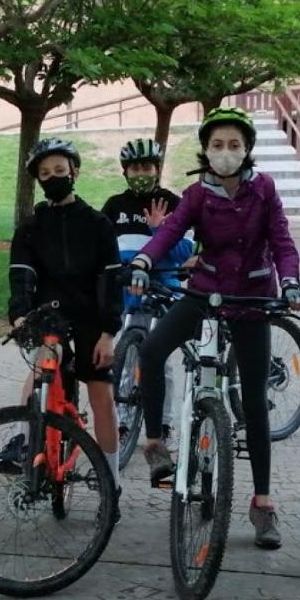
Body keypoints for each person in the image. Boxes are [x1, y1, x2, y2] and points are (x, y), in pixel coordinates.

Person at [128, 107, 300, 549]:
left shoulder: (264, 189)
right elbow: (169, 232)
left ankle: (263, 504)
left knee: (255, 401)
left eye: (234, 145)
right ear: (205, 151)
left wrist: (292, 283)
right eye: (217, 145)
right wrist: (145, 259)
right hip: (204, 292)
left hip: (251, 299)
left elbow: (282, 242)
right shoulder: (196, 193)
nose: (226, 153)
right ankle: (155, 445)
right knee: (151, 350)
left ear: (247, 151)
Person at [3, 137, 124, 502]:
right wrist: (21, 314)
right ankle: (26, 443)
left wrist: (108, 331)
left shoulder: (98, 223)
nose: (53, 177)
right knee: (43, 366)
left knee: (100, 392)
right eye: (45, 173)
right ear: (37, 180)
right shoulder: (30, 226)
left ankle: (110, 477)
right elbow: (21, 274)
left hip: (91, 315)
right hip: (48, 314)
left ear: (74, 172)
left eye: (59, 170)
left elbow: (111, 278)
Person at [101, 138, 193, 444]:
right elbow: (102, 250)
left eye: (148, 167)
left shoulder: (173, 203)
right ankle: (124, 419)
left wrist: (159, 229)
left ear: (157, 169)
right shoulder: (114, 206)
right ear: (125, 171)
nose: (142, 172)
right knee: (125, 357)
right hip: (127, 294)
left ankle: (162, 421)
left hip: (162, 291)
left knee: (160, 360)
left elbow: (183, 253)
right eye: (136, 167)